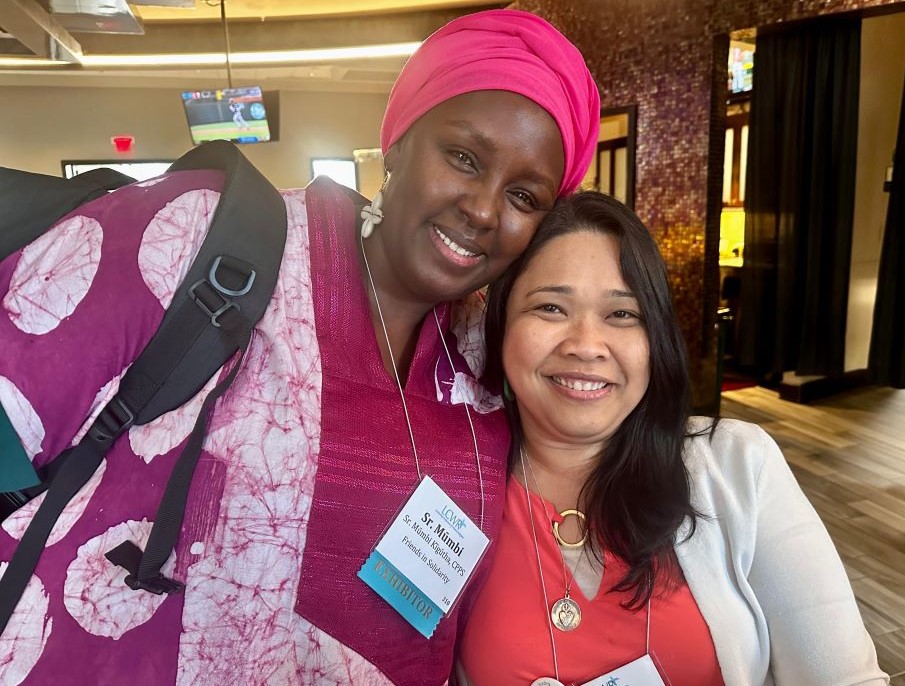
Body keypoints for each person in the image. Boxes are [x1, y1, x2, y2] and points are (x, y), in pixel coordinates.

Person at [0, 9, 599, 686]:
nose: (486, 209)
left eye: (524, 195)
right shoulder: (205, 238)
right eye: (463, 158)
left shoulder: (493, 360)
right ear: (398, 145)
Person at [457, 191, 888, 685]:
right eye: (551, 307)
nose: (585, 345)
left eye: (621, 314)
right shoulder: (456, 483)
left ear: (654, 339)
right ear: (502, 325)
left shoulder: (738, 466)